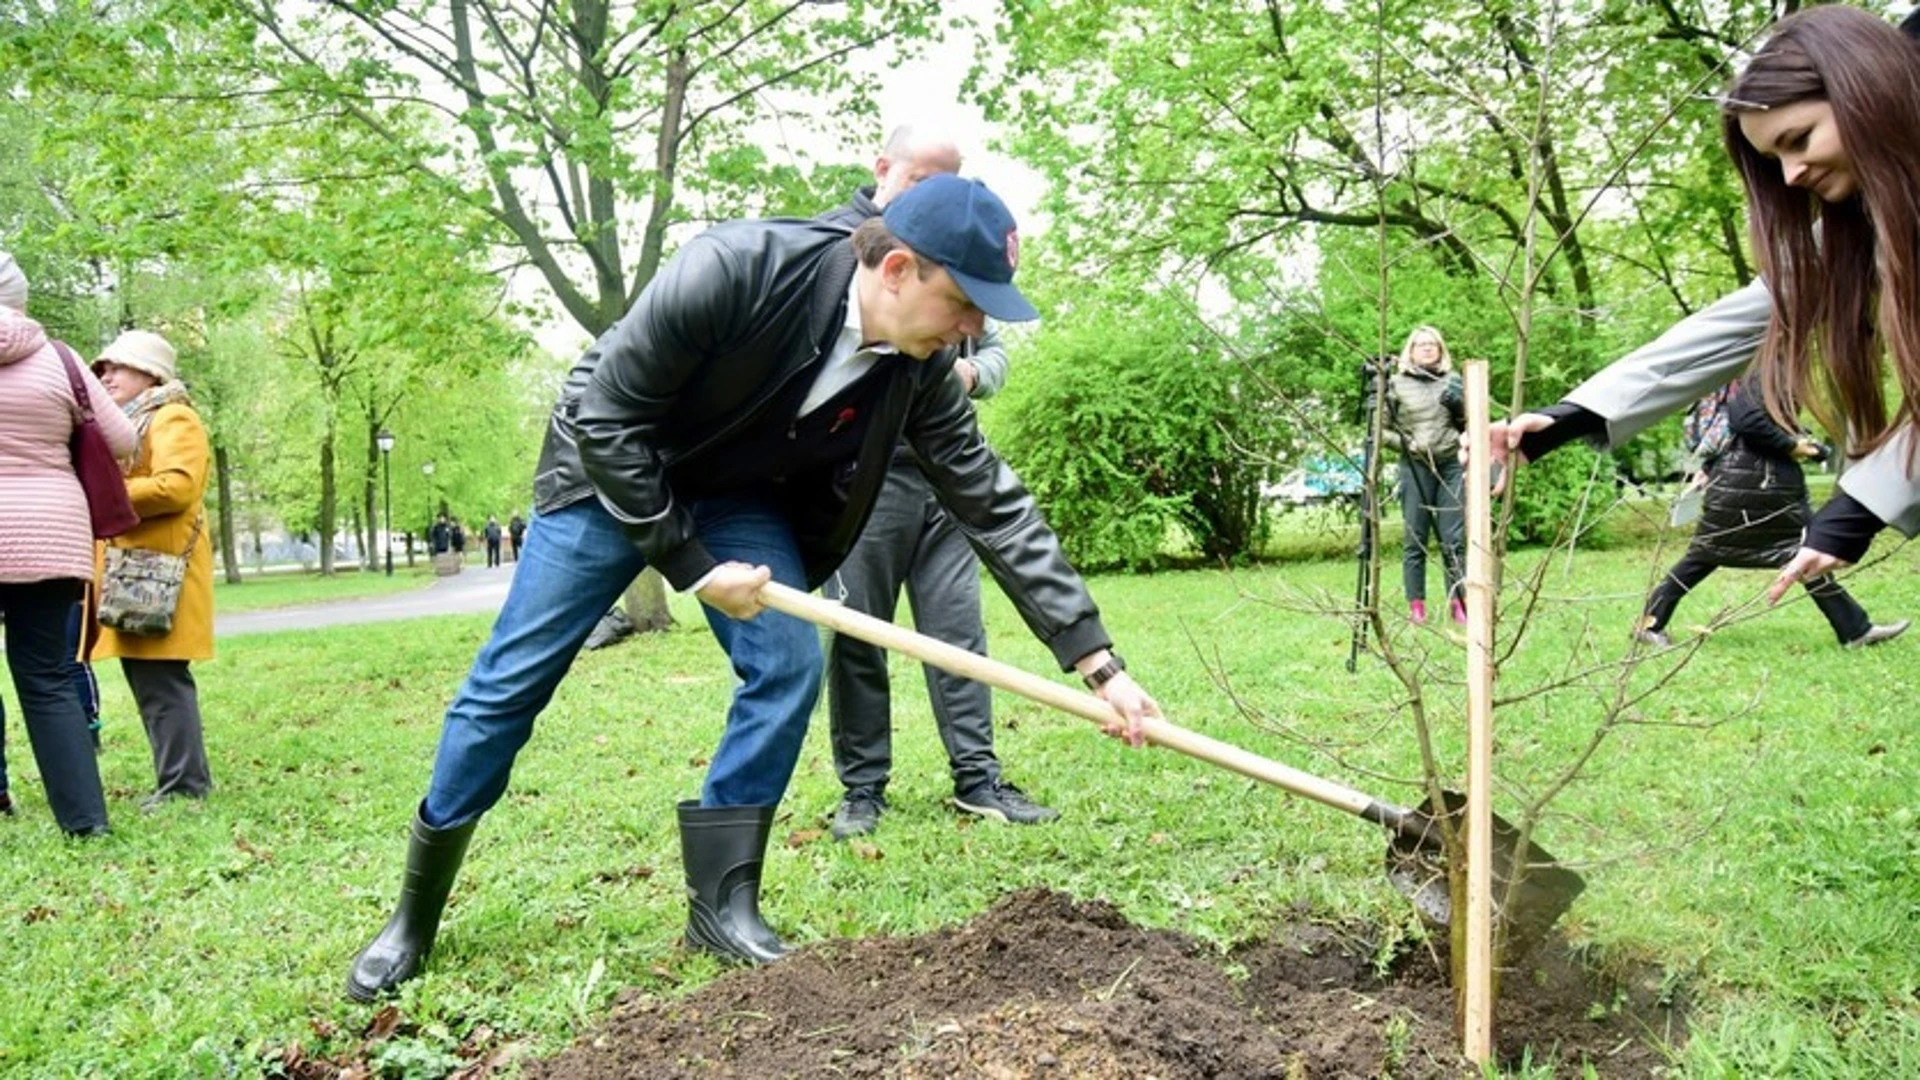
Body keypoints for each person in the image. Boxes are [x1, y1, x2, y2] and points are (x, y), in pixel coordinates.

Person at [344, 174, 1161, 1002]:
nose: (974, 328)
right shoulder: (734, 268)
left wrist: (1100, 664)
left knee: (786, 664)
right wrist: (692, 568)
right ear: (897, 268)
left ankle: (722, 905)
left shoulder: (919, 368)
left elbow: (992, 501)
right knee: (511, 683)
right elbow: (602, 416)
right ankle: (414, 916)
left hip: (737, 494)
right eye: (964, 301)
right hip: (611, 472)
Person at [1484, 6, 1920, 614]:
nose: (1791, 176)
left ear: (1866, 90)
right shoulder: (1867, 222)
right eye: (1775, 160)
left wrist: (1855, 510)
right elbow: (1747, 316)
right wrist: (1569, 418)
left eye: (1799, 140)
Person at [817, 127, 1055, 840]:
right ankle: (863, 789)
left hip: (947, 478)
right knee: (859, 634)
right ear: (886, 170)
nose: (936, 192)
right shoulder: (843, 249)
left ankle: (977, 779)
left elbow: (1000, 351)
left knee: (959, 633)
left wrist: (971, 371)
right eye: (923, 178)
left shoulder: (970, 262)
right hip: (869, 482)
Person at [0, 252, 135, 834]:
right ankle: (86, 823)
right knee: (49, 679)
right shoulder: (59, 359)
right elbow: (123, 440)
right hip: (49, 537)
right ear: (21, 300)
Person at [1634, 378, 1905, 648]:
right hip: (1756, 482)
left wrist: (1808, 447)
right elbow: (1747, 421)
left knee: (1709, 555)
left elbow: (1749, 424)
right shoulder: (1764, 369)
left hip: (1748, 479)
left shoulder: (1760, 370)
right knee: (1801, 550)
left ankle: (1855, 630)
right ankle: (1855, 630)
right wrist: (1792, 446)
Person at [91, 330, 216, 811]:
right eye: (102, 368)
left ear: (151, 372)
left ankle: (185, 787)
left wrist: (108, 494)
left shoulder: (172, 417)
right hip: (139, 575)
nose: (107, 375)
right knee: (151, 681)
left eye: (118, 367)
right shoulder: (135, 421)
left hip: (158, 574)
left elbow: (177, 488)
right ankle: (180, 781)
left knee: (162, 682)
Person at [1376, 326, 1467, 626]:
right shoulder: (1397, 384)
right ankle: (1417, 607)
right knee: (1416, 537)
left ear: (1441, 350)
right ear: (1410, 351)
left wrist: (1461, 409)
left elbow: (1469, 425)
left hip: (1450, 463)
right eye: (1421, 344)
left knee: (1453, 539)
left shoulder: (1453, 381)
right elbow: (1380, 429)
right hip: (1415, 465)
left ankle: (1459, 603)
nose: (1427, 349)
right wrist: (1405, 443)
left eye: (1433, 345)